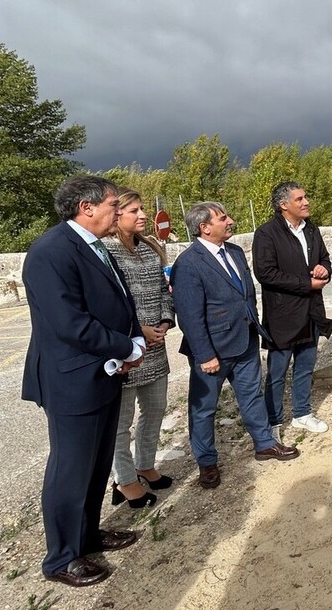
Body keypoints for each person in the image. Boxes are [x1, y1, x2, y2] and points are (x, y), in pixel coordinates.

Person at [22, 175, 146, 587]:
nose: (118, 210)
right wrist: (126, 348)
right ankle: (61, 558)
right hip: (73, 379)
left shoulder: (92, 246)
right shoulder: (51, 251)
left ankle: (87, 536)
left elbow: (115, 304)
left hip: (102, 372)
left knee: (94, 466)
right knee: (71, 469)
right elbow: (69, 323)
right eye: (113, 204)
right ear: (86, 207)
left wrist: (128, 344)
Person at [171, 201, 299, 490]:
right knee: (204, 409)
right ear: (205, 227)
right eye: (222, 217)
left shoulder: (236, 252)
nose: (230, 220)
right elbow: (189, 316)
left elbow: (245, 296)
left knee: (252, 395)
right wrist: (205, 355)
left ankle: (265, 444)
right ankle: (206, 463)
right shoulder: (188, 263)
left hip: (245, 341)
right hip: (212, 351)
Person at [102, 188, 175, 508]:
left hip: (155, 348)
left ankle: (146, 464)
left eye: (143, 209)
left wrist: (164, 320)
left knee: (156, 409)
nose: (143, 215)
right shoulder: (105, 252)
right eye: (134, 210)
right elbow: (104, 303)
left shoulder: (150, 249)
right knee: (121, 423)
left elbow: (164, 289)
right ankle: (126, 480)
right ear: (117, 215)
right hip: (125, 350)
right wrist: (138, 331)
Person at [252, 182, 332, 441]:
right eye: (299, 198)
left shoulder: (311, 229)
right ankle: (274, 422)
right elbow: (265, 273)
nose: (306, 202)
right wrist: (306, 284)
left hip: (310, 311)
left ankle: (302, 414)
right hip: (283, 316)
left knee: (305, 367)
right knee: (277, 373)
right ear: (283, 205)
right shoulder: (267, 234)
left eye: (305, 196)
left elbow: (325, 259)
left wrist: (323, 269)